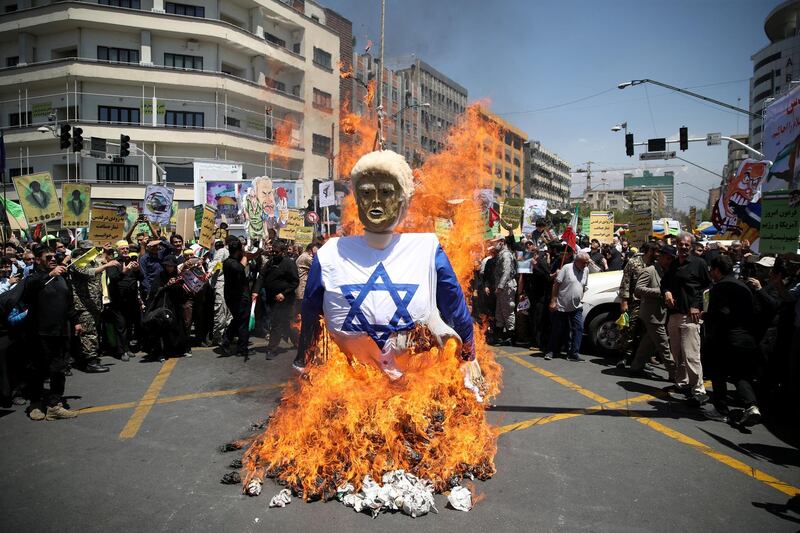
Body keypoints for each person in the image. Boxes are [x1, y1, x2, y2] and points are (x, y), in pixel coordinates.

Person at [294, 149, 478, 390]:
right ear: (357, 199)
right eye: (367, 193)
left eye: (386, 192)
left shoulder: (427, 249)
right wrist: (305, 360)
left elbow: (454, 306)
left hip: (414, 381)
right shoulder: (330, 253)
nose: (376, 201)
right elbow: (311, 313)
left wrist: (468, 354)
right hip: (351, 382)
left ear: (403, 198)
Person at [22, 244, 80, 420]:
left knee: (58, 369)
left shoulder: (62, 276)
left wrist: (75, 321)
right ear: (38, 259)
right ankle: (36, 403)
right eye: (48, 257)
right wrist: (48, 275)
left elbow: (69, 301)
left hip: (60, 331)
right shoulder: (34, 277)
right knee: (37, 369)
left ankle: (55, 405)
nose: (53, 259)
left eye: (55, 256)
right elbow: (27, 293)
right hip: (40, 333)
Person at [703, 255, 762, 425]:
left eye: (712, 270)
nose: (711, 274)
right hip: (746, 339)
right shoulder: (744, 286)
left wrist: (707, 316)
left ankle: (721, 410)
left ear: (716, 270)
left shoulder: (720, 287)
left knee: (718, 373)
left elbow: (721, 314)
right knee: (740, 375)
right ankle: (752, 407)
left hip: (726, 338)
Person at [661, 232, 712, 406]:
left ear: (691, 246)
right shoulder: (674, 264)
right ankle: (683, 383)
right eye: (680, 244)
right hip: (674, 314)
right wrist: (666, 292)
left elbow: (707, 288)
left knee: (691, 354)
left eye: (686, 245)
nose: (683, 247)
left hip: (691, 316)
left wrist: (697, 305)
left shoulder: (699, 264)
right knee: (677, 353)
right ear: (676, 244)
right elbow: (665, 283)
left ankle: (698, 389)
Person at [70, 240, 118, 373]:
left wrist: (106, 252)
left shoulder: (93, 260)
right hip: (82, 305)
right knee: (88, 333)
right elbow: (89, 272)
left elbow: (104, 260)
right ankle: (90, 362)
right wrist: (106, 265)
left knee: (93, 331)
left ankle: (87, 357)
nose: (89, 253)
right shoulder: (76, 262)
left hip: (94, 304)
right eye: (86, 251)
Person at [632, 245, 677, 380]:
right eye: (668, 258)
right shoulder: (649, 271)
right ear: (661, 257)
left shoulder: (667, 271)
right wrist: (660, 293)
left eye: (671, 259)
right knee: (664, 345)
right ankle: (675, 374)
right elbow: (638, 289)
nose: (669, 261)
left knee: (648, 343)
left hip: (661, 314)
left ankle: (636, 367)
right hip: (651, 314)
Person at [252, 241, 299, 360]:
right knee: (285, 323)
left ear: (283, 252)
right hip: (271, 298)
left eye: (276, 252)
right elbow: (261, 276)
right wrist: (256, 291)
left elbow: (295, 282)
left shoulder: (289, 263)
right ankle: (297, 342)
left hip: (284, 299)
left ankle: (271, 349)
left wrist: (284, 293)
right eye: (272, 251)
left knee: (277, 323)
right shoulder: (270, 262)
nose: (273, 253)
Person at [617, 242, 657, 368]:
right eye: (654, 250)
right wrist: (624, 301)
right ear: (648, 251)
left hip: (650, 303)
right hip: (635, 303)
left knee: (646, 332)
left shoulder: (657, 265)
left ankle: (641, 359)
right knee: (630, 330)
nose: (656, 254)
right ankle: (625, 357)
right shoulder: (634, 263)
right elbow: (626, 282)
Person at [546, 251, 590, 362]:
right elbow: (556, 285)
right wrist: (553, 300)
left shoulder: (586, 270)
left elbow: (583, 286)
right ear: (577, 261)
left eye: (587, 263)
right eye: (584, 263)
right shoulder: (566, 268)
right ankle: (552, 351)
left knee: (578, 328)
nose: (586, 265)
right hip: (562, 305)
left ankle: (573, 353)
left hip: (577, 306)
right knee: (557, 329)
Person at [105, 240, 143, 361]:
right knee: (121, 326)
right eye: (122, 249)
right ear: (117, 251)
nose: (125, 251)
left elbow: (141, 278)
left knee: (128, 324)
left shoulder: (133, 262)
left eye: (127, 248)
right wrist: (123, 272)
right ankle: (121, 351)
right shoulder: (114, 263)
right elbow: (113, 278)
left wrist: (137, 270)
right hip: (118, 301)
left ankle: (127, 348)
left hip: (130, 300)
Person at [221, 238, 251, 358]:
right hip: (236, 297)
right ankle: (241, 348)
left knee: (238, 320)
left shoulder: (234, 261)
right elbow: (239, 269)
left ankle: (228, 342)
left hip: (238, 296)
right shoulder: (230, 262)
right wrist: (245, 256)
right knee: (243, 321)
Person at [491, 236, 517, 346]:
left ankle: (510, 336)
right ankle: (499, 336)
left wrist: (500, 286)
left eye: (495, 242)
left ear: (502, 242)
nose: (493, 245)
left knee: (507, 311)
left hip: (506, 287)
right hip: (501, 287)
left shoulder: (506, 255)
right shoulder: (501, 254)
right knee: (500, 311)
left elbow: (506, 272)